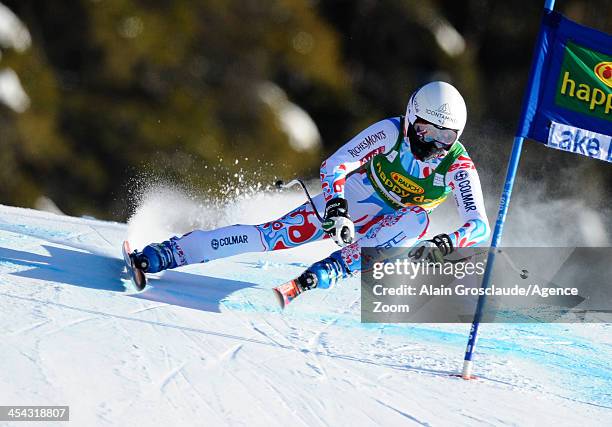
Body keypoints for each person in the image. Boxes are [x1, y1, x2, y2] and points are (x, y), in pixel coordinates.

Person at [128, 81, 490, 305]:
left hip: (395, 225)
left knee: (416, 220)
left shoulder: (457, 165)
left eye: (446, 137)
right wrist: (336, 207)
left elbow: (479, 224)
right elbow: (337, 163)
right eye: (427, 131)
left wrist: (451, 240)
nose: (434, 143)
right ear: (411, 118)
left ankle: (332, 269)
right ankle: (164, 254)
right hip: (360, 196)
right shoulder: (391, 131)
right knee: (269, 237)